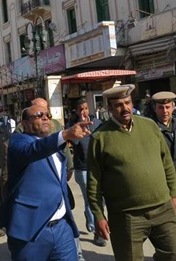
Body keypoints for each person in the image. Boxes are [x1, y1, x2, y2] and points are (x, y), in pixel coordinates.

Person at [88, 84, 176, 261]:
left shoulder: (149, 126)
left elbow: (167, 163)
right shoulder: (100, 138)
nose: (125, 108)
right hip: (127, 216)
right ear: (110, 108)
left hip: (163, 209)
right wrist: (98, 215)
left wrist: (174, 194)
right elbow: (94, 182)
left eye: (127, 102)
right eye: (118, 105)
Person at [0, 104, 91, 261]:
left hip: (61, 229)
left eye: (47, 115)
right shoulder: (18, 142)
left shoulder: (54, 143)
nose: (45, 117)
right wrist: (65, 134)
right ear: (24, 123)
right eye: (39, 115)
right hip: (32, 230)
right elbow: (33, 150)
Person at [69, 98, 105, 247]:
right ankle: (97, 231)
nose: (84, 111)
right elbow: (74, 143)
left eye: (85, 108)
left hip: (98, 167)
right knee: (91, 199)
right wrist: (81, 131)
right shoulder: (72, 126)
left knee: (100, 199)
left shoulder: (97, 123)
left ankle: (92, 219)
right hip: (82, 169)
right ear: (76, 111)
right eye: (80, 109)